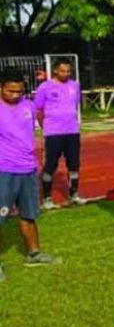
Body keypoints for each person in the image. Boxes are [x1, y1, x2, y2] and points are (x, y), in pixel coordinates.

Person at [0, 68, 60, 281]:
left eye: (20, 91)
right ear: (1, 88)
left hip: (28, 169)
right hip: (4, 171)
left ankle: (34, 253)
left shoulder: (28, 106)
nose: (16, 95)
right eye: (10, 91)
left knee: (29, 214)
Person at [34, 58, 84, 208]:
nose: (66, 73)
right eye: (63, 71)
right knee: (50, 165)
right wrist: (46, 128)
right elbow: (39, 110)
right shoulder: (45, 87)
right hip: (53, 133)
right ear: (55, 70)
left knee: (74, 164)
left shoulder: (75, 85)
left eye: (68, 71)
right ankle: (47, 198)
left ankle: (74, 194)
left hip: (72, 131)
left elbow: (74, 105)